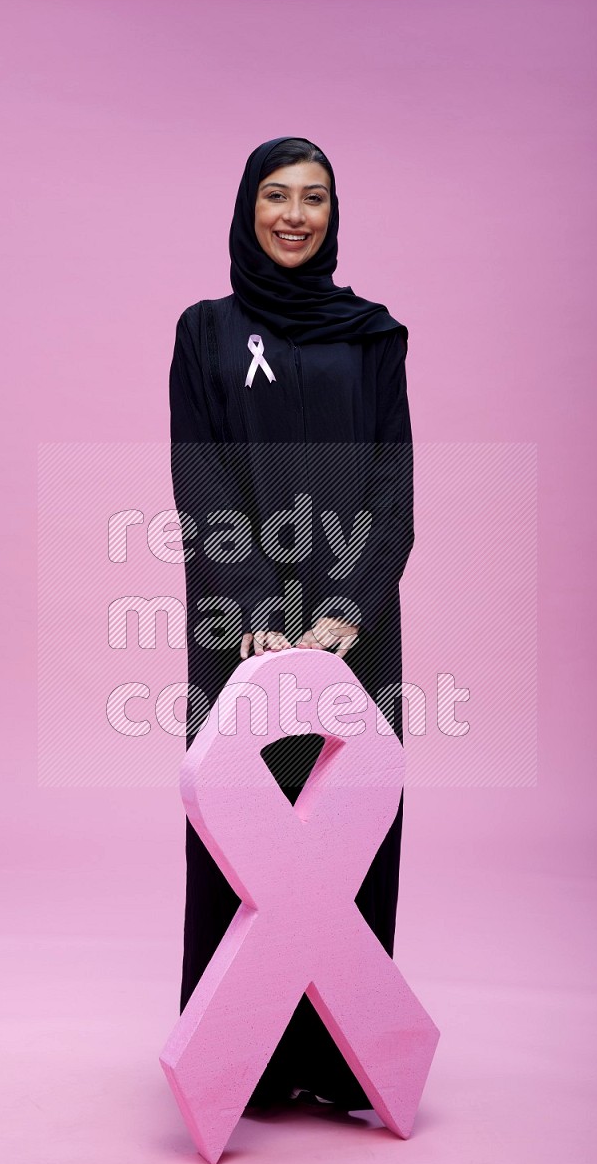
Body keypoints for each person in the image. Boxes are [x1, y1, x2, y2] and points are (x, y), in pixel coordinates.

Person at [169, 136, 415, 1110]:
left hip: (357, 630)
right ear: (247, 205)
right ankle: (245, 1066)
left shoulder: (371, 336)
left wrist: (347, 609)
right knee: (245, 833)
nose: (294, 215)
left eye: (313, 198)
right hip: (242, 627)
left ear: (332, 215)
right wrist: (259, 613)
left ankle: (339, 1060)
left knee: (346, 827)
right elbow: (201, 478)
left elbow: (393, 490)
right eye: (276, 195)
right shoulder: (205, 332)